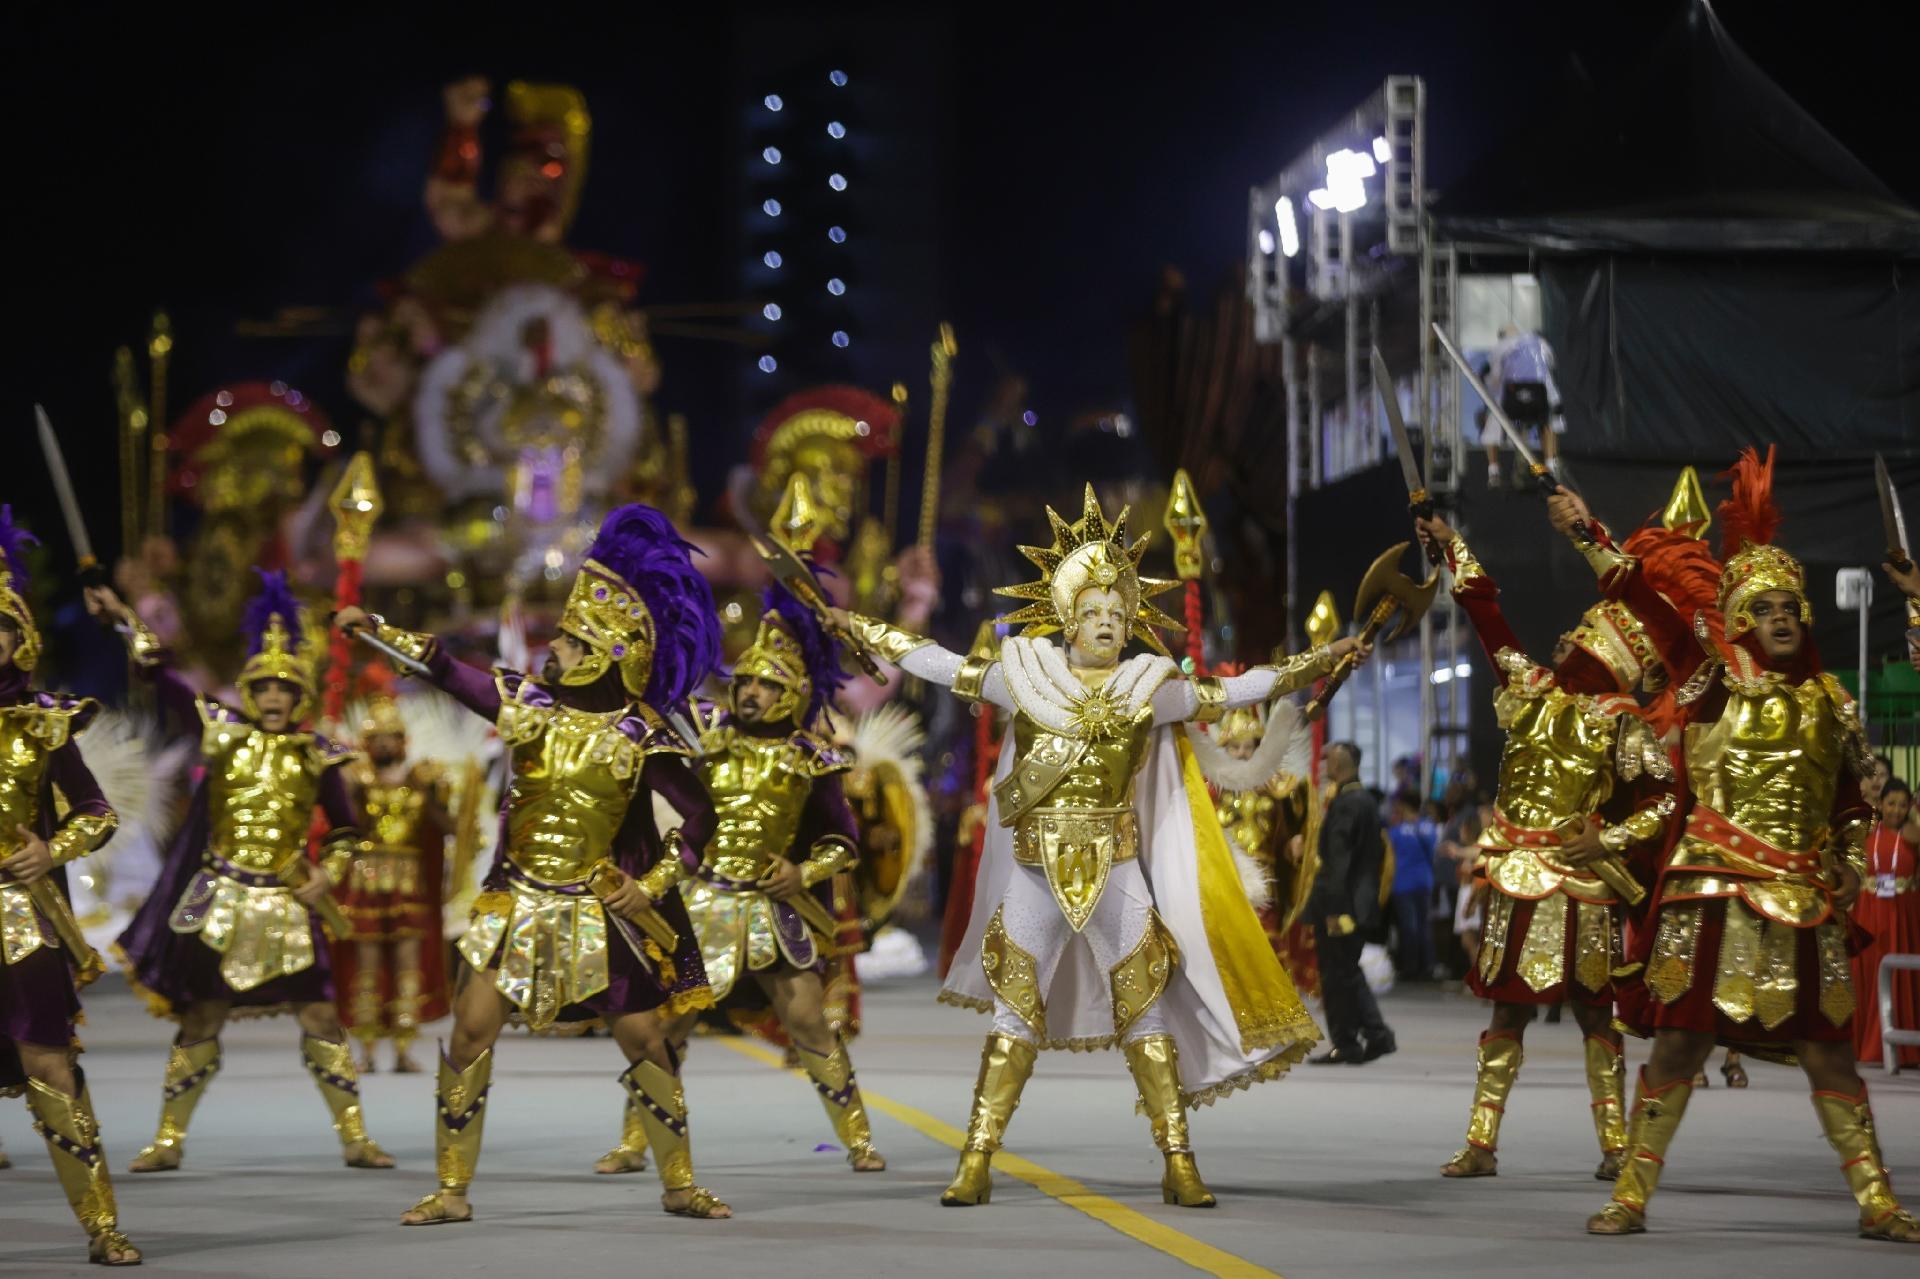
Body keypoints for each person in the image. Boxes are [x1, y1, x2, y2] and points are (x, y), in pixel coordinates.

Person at [838, 485, 1360, 1208]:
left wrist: (1321, 659)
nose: (1109, 622)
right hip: (1033, 870)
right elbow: (937, 661)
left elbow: (1236, 692)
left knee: (1144, 1015)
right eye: (1094, 612)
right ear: (1068, 618)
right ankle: (976, 1159)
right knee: (1012, 1018)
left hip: (1116, 868)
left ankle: (1178, 1162)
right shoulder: (1024, 678)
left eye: (1119, 612)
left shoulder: (1152, 687)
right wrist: (867, 628)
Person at [1553, 449, 1918, 1243]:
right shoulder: (1714, 677)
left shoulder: (1832, 701)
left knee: (1829, 1057)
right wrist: (1589, 533)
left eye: (1793, 605)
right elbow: (1642, 596)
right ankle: (1632, 1193)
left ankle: (1879, 1202)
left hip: (1802, 899)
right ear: (1741, 621)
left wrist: (1854, 860)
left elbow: (1862, 798)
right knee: (1682, 1042)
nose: (1783, 616)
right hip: (1712, 888)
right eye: (1766, 607)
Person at [338, 504, 735, 1223]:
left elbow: (704, 817)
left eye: (569, 638)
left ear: (608, 651)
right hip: (515, 901)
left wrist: (650, 884)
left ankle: (679, 1184)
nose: (553, 646)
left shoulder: (640, 735)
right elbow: (447, 670)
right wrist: (376, 631)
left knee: (646, 1037)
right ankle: (452, 1190)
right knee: (467, 1029)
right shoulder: (528, 706)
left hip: (595, 908)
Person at [94, 571, 395, 1175]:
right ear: (250, 694)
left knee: (319, 1017)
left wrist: (330, 873)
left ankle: (356, 1136)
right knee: (202, 1016)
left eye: (285, 688)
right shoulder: (221, 733)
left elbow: (347, 832)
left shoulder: (318, 754)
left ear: (300, 695)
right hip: (218, 897)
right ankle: (169, 1139)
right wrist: (125, 619)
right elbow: (165, 676)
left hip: (287, 901)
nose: (275, 698)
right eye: (265, 689)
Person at [1418, 509, 1687, 1181]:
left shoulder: (1620, 724)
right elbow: (1486, 619)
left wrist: (1610, 838)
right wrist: (1455, 549)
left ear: (1607, 655)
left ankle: (1616, 1143)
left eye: (1582, 635)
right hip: (1516, 880)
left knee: (1597, 1018)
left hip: (1584, 889)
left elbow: (1664, 799)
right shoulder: (1533, 691)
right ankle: (1481, 1141)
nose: (1566, 637)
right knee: (1508, 1011)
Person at [664, 586, 886, 1170]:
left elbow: (844, 841)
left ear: (791, 693)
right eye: (745, 683)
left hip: (772, 905)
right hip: (707, 899)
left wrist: (802, 871)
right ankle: (639, 1141)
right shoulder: (709, 741)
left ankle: (860, 1141)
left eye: (766, 684)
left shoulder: (811, 757)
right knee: (668, 1026)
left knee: (809, 1022)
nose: (751, 692)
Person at [0, 509, 140, 1265]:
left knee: (50, 1065)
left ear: (20, 639)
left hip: (18, 916)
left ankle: (102, 1225)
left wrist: (50, 850)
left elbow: (98, 810)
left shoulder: (43, 725)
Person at [333, 696, 453, 1074]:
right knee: (366, 964)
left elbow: (447, 828)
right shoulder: (358, 780)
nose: (385, 745)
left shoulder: (422, 780)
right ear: (367, 744)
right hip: (366, 876)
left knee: (408, 966)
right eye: (378, 738)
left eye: (392, 738)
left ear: (404, 742)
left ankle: (403, 1050)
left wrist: (444, 798)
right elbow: (345, 824)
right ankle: (366, 1051)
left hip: (409, 877)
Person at [1308, 743, 1397, 1064]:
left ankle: (1356, 1039)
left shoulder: (1347, 804)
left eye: (1327, 759)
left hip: (1340, 906)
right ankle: (1370, 1036)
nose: (1323, 765)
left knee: (1338, 974)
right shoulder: (1365, 801)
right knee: (1345, 971)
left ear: (1337, 764)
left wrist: (1332, 908)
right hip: (1357, 904)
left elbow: (1338, 861)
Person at [1854, 780, 1920, 1068]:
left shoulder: (1913, 835)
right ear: (1881, 804)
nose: (1896, 809)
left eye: (1902, 804)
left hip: (1902, 913)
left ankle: (1901, 1048)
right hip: (1868, 910)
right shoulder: (1867, 831)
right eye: (1891, 803)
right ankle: (1864, 1045)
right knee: (1866, 973)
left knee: (1899, 978)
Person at [1483, 326, 1562, 487]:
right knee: (1549, 423)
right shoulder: (1541, 343)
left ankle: (1494, 471)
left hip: (1513, 401)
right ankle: (1551, 466)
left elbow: (1495, 379)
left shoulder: (1501, 347)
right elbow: (1551, 367)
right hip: (1540, 398)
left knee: (1492, 422)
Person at [1386, 792, 1437, 981]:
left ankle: (1410, 967)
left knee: (1408, 927)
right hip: (1424, 882)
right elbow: (1433, 852)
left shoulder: (1396, 831)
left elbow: (1389, 858)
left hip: (1402, 884)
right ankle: (1428, 965)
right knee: (1424, 926)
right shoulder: (1428, 827)